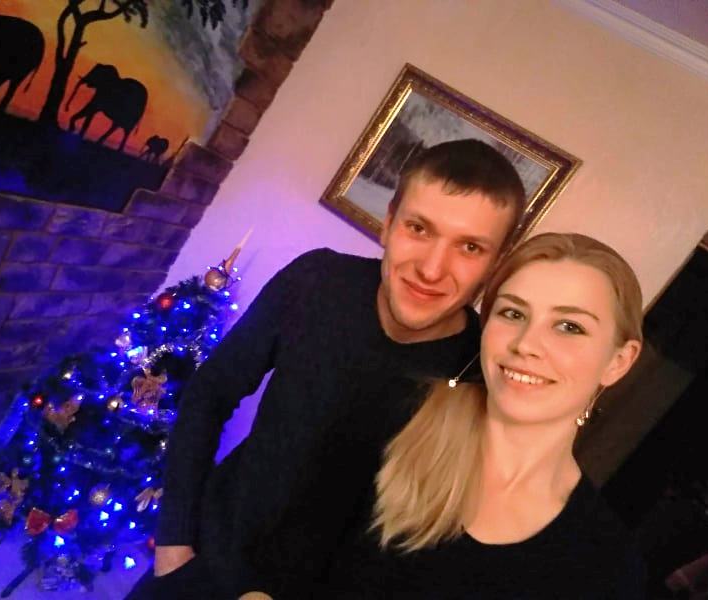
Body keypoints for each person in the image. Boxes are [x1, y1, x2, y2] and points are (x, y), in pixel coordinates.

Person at [125, 139, 526, 599]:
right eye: (418, 228)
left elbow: (436, 537)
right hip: (200, 563)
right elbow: (211, 391)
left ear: (495, 264)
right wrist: (175, 543)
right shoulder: (316, 281)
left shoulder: (481, 372)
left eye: (470, 247)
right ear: (389, 223)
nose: (433, 269)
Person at [309, 232, 646, 599]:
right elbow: (279, 564)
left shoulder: (607, 566)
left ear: (618, 361)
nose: (525, 344)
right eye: (513, 313)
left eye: (569, 326)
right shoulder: (394, 418)